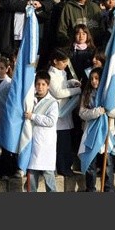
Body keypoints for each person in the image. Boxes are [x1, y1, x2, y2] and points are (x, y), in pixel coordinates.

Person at [78, 67, 115, 192]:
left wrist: (110, 111)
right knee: (91, 162)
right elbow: (82, 113)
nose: (94, 81)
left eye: (97, 78)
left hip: (107, 133)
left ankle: (109, 188)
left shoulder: (112, 94)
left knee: (108, 162)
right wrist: (98, 111)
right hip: (91, 133)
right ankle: (91, 188)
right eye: (92, 79)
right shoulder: (87, 93)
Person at [47, 49, 81, 178]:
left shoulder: (62, 73)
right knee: (61, 145)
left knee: (66, 144)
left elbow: (62, 85)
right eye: (64, 61)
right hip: (58, 114)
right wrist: (76, 90)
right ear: (55, 61)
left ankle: (66, 167)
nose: (66, 64)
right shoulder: (51, 74)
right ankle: (62, 168)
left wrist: (71, 83)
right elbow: (58, 92)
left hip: (65, 112)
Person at [24, 71, 60, 192]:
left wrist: (33, 116)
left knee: (48, 173)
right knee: (32, 173)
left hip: (45, 144)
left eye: (43, 84)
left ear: (48, 86)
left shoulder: (52, 102)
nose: (40, 87)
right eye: (38, 84)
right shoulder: (30, 99)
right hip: (32, 141)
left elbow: (51, 121)